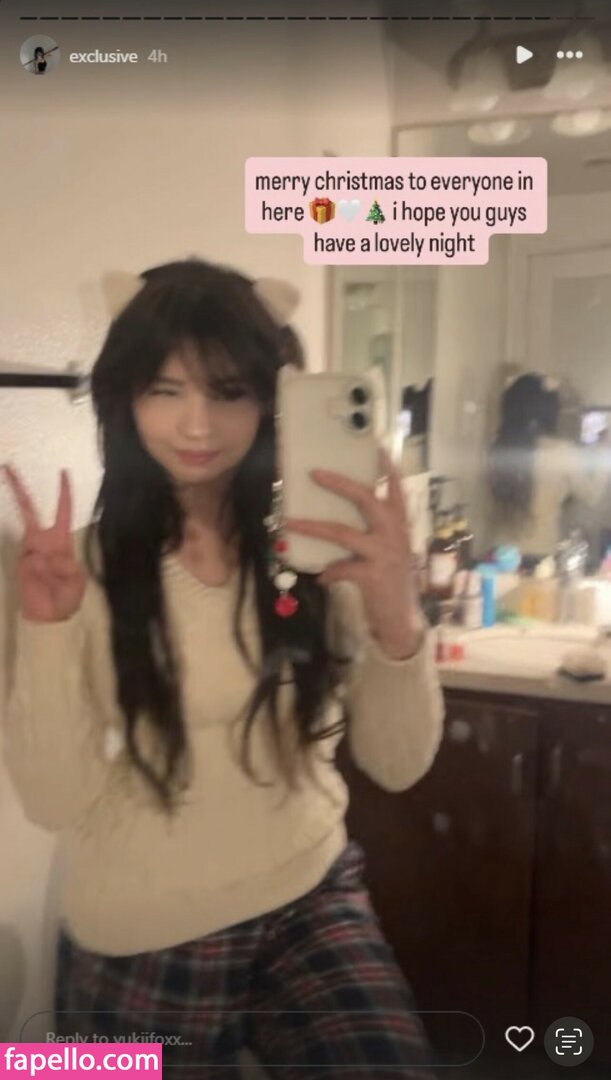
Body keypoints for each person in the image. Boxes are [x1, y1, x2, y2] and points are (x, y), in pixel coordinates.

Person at [2, 258, 444, 1079]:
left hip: (311, 895)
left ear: (270, 400)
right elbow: (51, 799)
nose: (197, 423)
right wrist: (50, 628)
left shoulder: (321, 552)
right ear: (124, 398)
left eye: (229, 390)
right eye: (165, 389)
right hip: (140, 936)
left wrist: (396, 607)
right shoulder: (73, 568)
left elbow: (399, 762)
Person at [486, 372, 608, 559]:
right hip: (539, 554)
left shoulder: (498, 447)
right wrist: (605, 448)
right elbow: (591, 496)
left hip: (499, 553)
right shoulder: (561, 452)